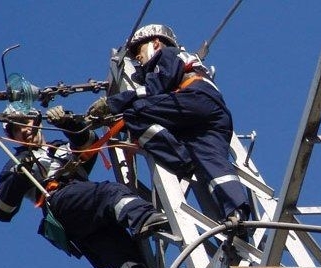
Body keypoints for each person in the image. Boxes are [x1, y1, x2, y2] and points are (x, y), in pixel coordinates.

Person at [0, 104, 177, 268]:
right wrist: (18, 178)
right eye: (15, 129)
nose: (23, 131)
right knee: (110, 193)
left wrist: (67, 123)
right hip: (61, 202)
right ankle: (143, 217)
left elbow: (88, 143)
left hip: (85, 214)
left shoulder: (60, 148)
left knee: (114, 248)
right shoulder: (17, 162)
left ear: (36, 121)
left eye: (24, 123)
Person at [86, 23, 251, 228]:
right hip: (213, 115)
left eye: (139, 50)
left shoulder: (167, 55)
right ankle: (237, 213)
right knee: (213, 161)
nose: (138, 57)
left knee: (135, 113)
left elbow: (155, 90)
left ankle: (180, 159)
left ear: (156, 43)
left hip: (194, 98)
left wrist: (113, 103)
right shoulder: (188, 61)